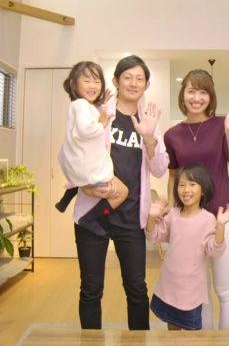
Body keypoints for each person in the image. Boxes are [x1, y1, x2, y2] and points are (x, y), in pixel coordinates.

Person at [60, 55, 168, 330]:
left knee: (137, 289)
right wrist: (82, 183)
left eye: (139, 79)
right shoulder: (97, 112)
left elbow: (159, 169)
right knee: (91, 289)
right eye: (127, 77)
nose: (133, 83)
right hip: (92, 215)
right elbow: (67, 153)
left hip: (131, 218)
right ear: (116, 81)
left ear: (146, 85)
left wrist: (150, 139)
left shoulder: (149, 122)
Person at [163, 68, 229, 330]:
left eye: (203, 92)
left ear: (210, 96)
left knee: (224, 289)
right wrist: (172, 211)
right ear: (183, 94)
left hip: (221, 219)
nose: (196, 98)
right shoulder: (172, 135)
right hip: (190, 222)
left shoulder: (222, 125)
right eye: (191, 91)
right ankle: (204, 344)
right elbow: (173, 177)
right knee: (198, 291)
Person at [145, 164, 229, 330]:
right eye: (181, 184)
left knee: (191, 335)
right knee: (172, 327)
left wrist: (220, 226)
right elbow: (154, 235)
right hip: (169, 285)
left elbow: (215, 250)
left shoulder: (208, 219)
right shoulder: (173, 215)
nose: (186, 189)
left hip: (191, 292)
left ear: (203, 190)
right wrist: (150, 217)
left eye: (192, 184)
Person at [56, 61, 127, 234]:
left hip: (79, 166)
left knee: (82, 179)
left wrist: (101, 105)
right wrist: (102, 124)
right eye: (87, 81)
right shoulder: (81, 105)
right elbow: (87, 129)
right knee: (122, 192)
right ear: (73, 84)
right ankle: (90, 218)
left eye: (97, 81)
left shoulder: (82, 106)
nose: (93, 86)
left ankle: (66, 198)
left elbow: (89, 118)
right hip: (88, 169)